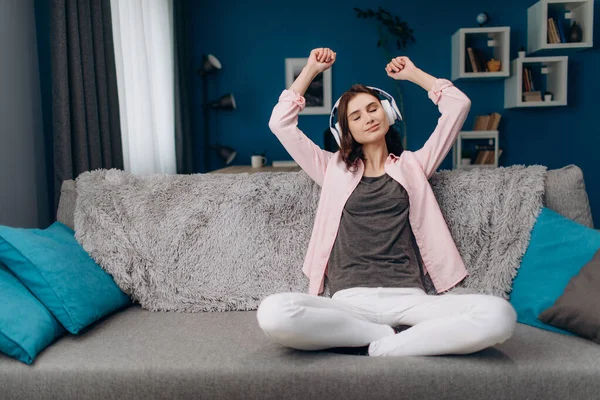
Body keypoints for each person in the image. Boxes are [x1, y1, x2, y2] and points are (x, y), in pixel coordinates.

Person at [258, 47, 517, 357]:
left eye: (372, 109)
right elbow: (280, 124)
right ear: (345, 131)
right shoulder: (330, 169)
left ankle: (386, 347)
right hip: (348, 302)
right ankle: (377, 334)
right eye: (356, 115)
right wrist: (311, 70)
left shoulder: (414, 166)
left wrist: (413, 74)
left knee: (499, 315)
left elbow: (458, 105)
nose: (367, 118)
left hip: (411, 299)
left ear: (388, 114)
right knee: (274, 312)